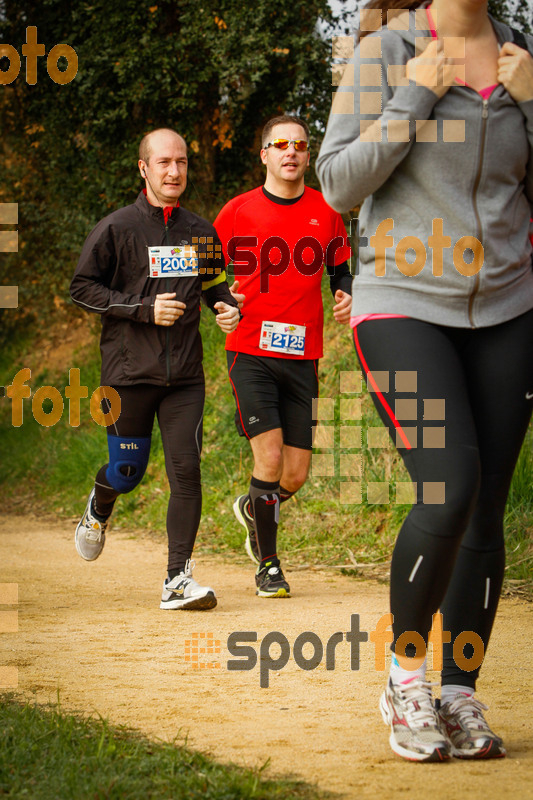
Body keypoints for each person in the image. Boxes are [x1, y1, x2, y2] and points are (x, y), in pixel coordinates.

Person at [317, 0, 533, 763]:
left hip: (509, 310)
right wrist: (413, 93)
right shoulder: (385, 51)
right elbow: (338, 185)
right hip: (401, 304)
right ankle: (405, 678)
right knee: (448, 483)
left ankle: (458, 692)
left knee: (485, 511)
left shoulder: (521, 55)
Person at [70, 128, 240, 610]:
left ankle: (177, 579)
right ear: (144, 169)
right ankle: (100, 505)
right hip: (127, 374)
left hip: (184, 375)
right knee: (128, 472)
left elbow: (213, 286)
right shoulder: (116, 228)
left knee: (186, 471)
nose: (174, 171)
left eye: (182, 162)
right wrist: (143, 309)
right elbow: (83, 288)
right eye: (163, 162)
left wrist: (226, 308)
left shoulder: (202, 231)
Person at [214, 114, 352, 598]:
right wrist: (220, 302)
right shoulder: (238, 211)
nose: (291, 151)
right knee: (269, 458)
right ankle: (268, 565)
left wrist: (346, 294)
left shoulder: (326, 211)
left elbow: (342, 270)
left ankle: (255, 507)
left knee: (294, 473)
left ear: (308, 155)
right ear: (265, 155)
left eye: (300, 144)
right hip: (249, 349)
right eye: (280, 144)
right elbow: (206, 271)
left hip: (303, 356)